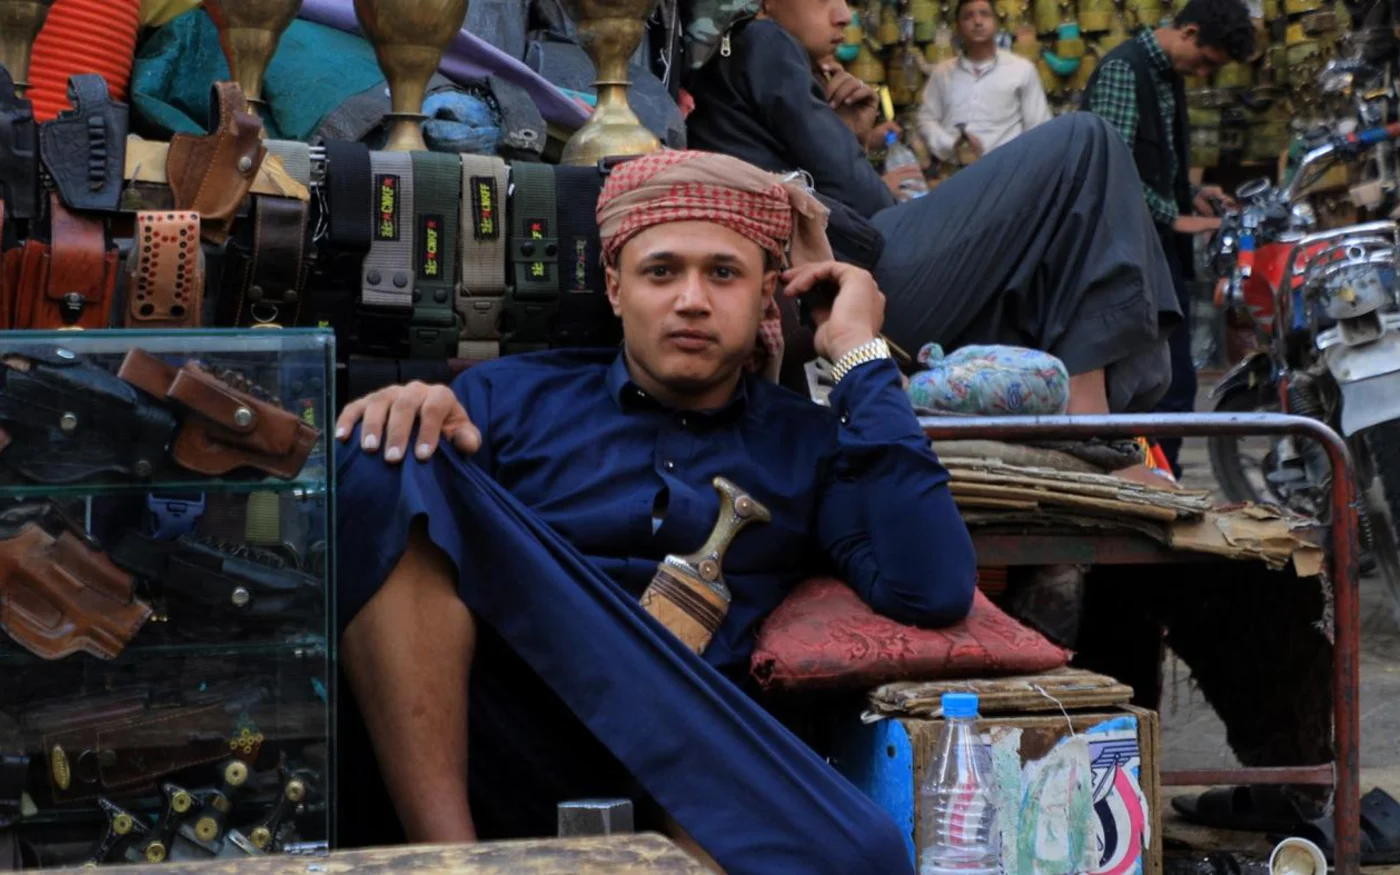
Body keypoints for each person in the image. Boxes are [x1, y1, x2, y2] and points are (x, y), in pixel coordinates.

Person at [331, 149, 977, 874]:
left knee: (862, 854)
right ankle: (448, 864)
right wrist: (400, 411)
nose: (692, 299)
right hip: (505, 738)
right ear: (614, 287)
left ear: (770, 296)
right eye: (661, 271)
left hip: (692, 757)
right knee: (389, 450)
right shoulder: (501, 401)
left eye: (723, 273)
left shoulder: (808, 445)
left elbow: (933, 587)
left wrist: (857, 355)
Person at [682, 0, 1181, 486]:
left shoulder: (730, 60)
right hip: (850, 283)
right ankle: (1088, 418)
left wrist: (849, 135)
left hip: (839, 274)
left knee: (1062, 221)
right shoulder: (761, 39)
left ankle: (1089, 416)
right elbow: (864, 198)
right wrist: (850, 141)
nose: (843, 16)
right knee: (1085, 145)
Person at [1082, 0, 1255, 476]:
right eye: (1205, 61)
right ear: (1189, 31)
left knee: (1174, 383)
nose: (1202, 73)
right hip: (1126, 254)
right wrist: (1171, 216)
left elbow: (1150, 162)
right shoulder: (1124, 70)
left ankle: (1165, 481)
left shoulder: (1165, 75)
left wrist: (1190, 194)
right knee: (1156, 382)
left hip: (1155, 248)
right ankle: (1151, 483)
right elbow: (1107, 167)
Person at [916, 0, 1052, 165]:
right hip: (956, 175)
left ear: (995, 22)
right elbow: (925, 119)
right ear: (958, 28)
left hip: (1007, 172)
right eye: (968, 16)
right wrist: (950, 144)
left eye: (984, 14)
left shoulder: (1021, 70)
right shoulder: (942, 73)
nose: (978, 22)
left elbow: (1039, 128)